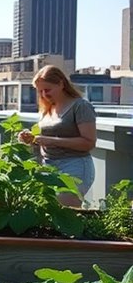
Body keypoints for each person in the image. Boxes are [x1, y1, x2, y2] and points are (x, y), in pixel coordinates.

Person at [18, 65, 96, 206]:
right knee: (47, 211)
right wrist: (31, 139)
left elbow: (89, 143)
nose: (43, 95)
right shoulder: (47, 109)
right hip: (48, 165)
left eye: (47, 90)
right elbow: (45, 139)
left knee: (62, 209)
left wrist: (51, 141)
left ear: (61, 83)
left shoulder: (80, 106)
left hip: (74, 165)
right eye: (40, 91)